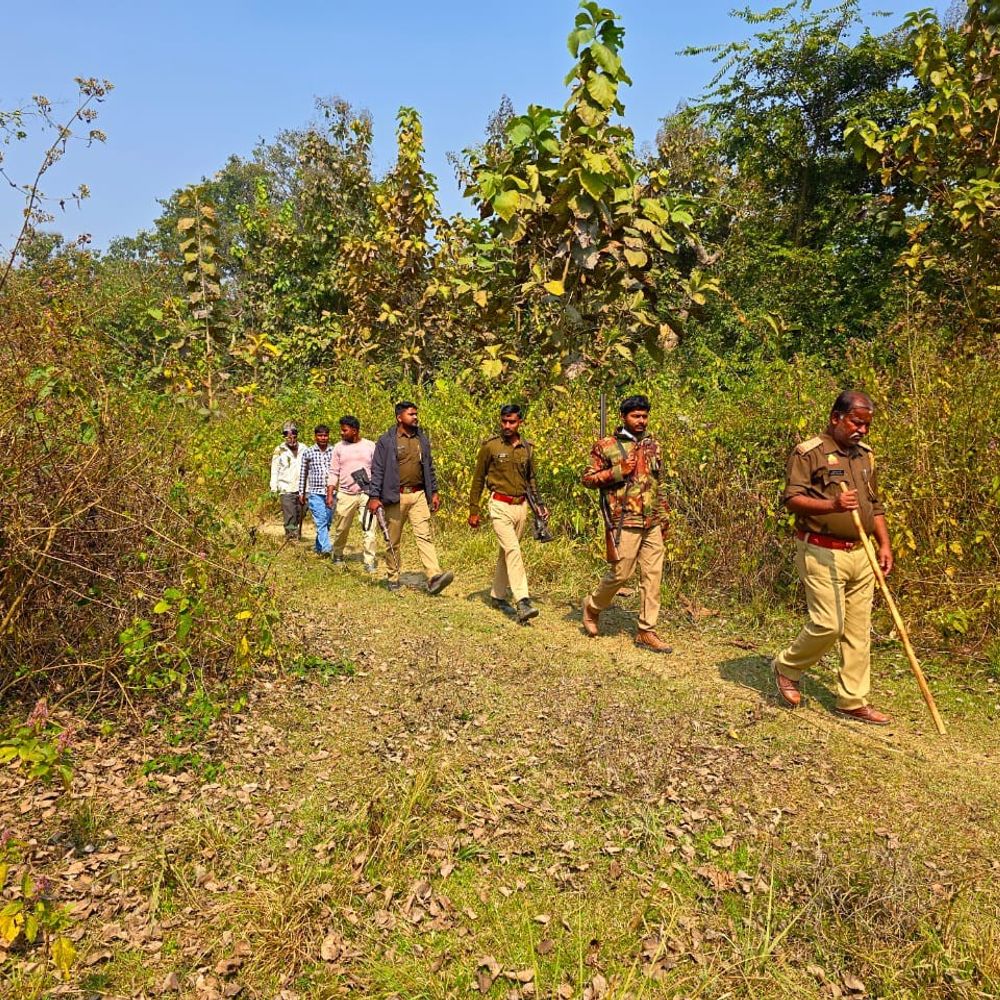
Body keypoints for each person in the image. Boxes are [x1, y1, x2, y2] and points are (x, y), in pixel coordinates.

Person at [772, 390, 893, 725]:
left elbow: (875, 505)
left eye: (867, 425)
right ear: (836, 417)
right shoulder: (809, 453)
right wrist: (833, 506)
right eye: (857, 422)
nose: (862, 431)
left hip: (861, 551)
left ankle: (852, 700)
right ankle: (787, 666)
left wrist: (883, 544)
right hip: (821, 550)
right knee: (828, 624)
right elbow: (792, 499)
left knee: (858, 630)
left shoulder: (866, 456)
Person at [580, 394, 672, 653]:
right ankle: (593, 606)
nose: (641, 421)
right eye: (635, 416)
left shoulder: (653, 445)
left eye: (644, 416)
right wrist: (619, 469)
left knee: (652, 576)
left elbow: (657, 482)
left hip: (651, 520)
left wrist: (664, 516)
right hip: (624, 520)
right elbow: (588, 479)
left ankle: (646, 630)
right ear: (624, 417)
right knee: (621, 573)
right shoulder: (606, 445)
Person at [468, 404, 547, 624]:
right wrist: (473, 510)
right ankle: (523, 600)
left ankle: (497, 595)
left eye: (511, 422)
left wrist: (539, 505)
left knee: (507, 552)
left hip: (520, 507)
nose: (507, 426)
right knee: (513, 549)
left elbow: (531, 480)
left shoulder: (528, 448)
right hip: (499, 506)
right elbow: (478, 479)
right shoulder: (490, 447)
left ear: (520, 422)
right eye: (504, 421)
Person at [366, 402, 454, 595]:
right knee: (393, 540)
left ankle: (433, 576)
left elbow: (429, 467)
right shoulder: (386, 441)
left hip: (419, 494)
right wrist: (374, 496)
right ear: (399, 418)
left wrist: (434, 492)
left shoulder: (421, 438)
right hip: (394, 496)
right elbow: (377, 470)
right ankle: (393, 576)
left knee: (424, 535)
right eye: (411, 414)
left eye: (416, 414)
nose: (415, 417)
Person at [326, 416, 377, 572]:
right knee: (342, 528)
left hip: (366, 494)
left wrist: (376, 493)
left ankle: (369, 560)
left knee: (369, 529)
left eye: (344, 430)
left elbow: (377, 470)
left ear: (354, 431)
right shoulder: (338, 448)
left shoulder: (370, 446)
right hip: (346, 494)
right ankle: (338, 554)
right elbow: (334, 471)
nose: (341, 433)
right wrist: (330, 493)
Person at [298, 424, 334, 557]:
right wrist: (301, 492)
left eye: (325, 435)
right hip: (315, 492)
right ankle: (326, 548)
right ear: (315, 436)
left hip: (331, 492)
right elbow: (303, 473)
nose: (323, 438)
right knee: (321, 520)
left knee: (328, 521)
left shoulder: (334, 450)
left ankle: (318, 547)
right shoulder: (308, 452)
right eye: (320, 435)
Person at [270, 421, 303, 539]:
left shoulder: (304, 448)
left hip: (302, 488)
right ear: (284, 436)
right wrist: (274, 487)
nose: (291, 437)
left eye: (293, 434)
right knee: (290, 514)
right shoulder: (279, 450)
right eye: (287, 435)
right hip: (285, 487)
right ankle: (291, 537)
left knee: (300, 512)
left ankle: (294, 530)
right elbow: (274, 469)